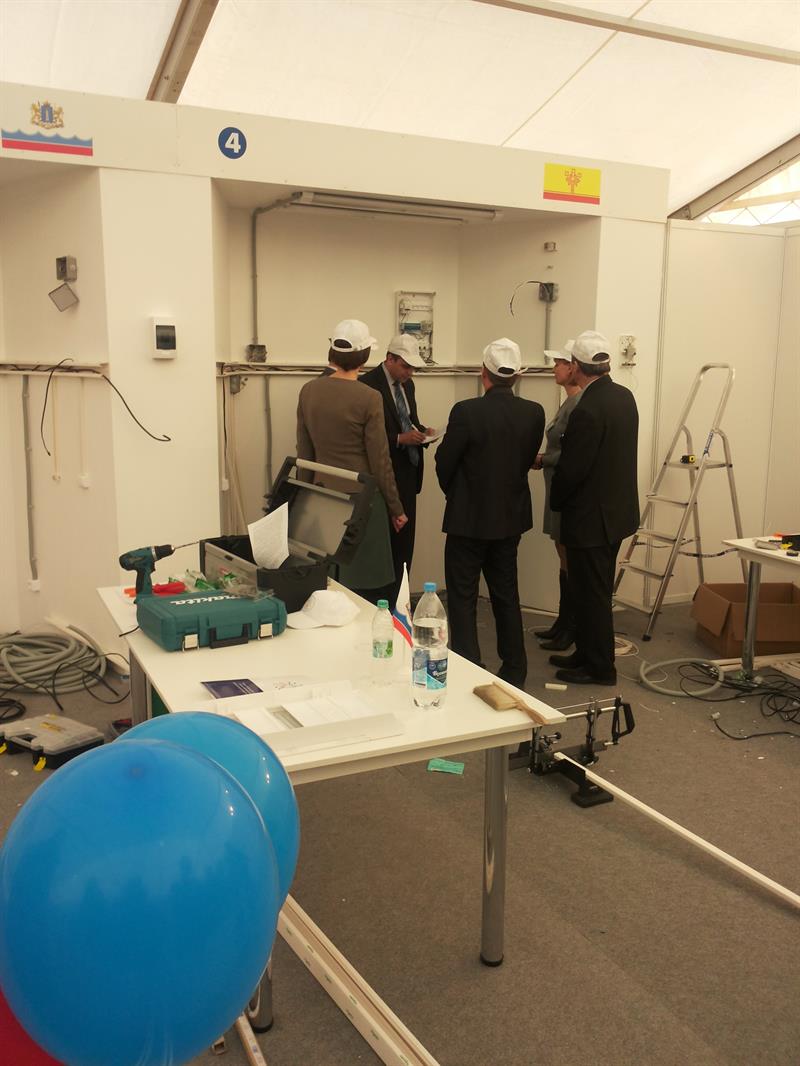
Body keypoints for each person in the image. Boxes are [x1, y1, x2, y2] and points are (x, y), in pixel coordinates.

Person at [435, 338, 545, 688]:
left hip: (468, 520)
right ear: (517, 376)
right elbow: (525, 460)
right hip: (510, 518)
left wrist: (457, 494)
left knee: (463, 597)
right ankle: (515, 669)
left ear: (483, 372)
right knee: (506, 595)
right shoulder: (534, 412)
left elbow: (444, 462)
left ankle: (469, 667)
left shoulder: (466, 412)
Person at [549, 330, 639, 686]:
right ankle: (585, 654)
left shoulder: (587, 408)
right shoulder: (624, 397)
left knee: (593, 596)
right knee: (591, 592)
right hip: (616, 515)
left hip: (590, 519)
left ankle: (600, 667)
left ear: (576, 366)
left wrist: (557, 500)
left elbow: (573, 469)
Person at [296, 319, 408, 601]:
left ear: (332, 352)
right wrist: (396, 508)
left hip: (322, 497)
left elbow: (304, 455)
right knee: (363, 592)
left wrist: (304, 498)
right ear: (365, 356)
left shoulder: (309, 391)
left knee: (326, 586)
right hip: (362, 502)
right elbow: (380, 460)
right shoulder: (369, 397)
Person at [360, 334, 431, 608]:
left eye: (413, 368)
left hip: (409, 473)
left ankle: (399, 603)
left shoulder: (407, 385)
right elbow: (367, 439)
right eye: (405, 366)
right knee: (384, 546)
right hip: (383, 474)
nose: (409, 372)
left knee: (404, 546)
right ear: (389, 359)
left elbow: (408, 420)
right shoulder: (367, 386)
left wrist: (422, 432)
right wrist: (400, 439)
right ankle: (380, 605)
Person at [532, 344, 583, 651]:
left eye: (559, 363)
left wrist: (543, 459)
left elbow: (572, 452)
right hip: (556, 486)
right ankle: (563, 623)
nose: (554, 368)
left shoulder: (578, 405)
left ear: (573, 366)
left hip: (565, 489)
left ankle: (571, 627)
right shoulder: (568, 402)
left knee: (569, 559)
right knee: (562, 556)